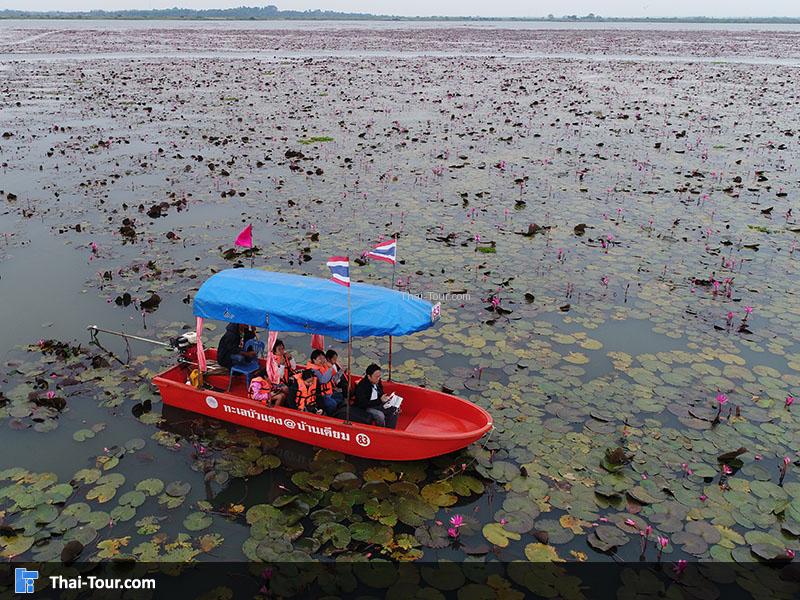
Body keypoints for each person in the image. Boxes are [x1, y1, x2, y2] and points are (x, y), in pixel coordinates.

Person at [353, 364, 398, 428]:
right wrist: (380, 400)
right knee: (380, 415)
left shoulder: (377, 381)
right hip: (367, 407)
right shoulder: (362, 386)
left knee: (395, 409)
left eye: (379, 376)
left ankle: (390, 428)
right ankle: (380, 429)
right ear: (369, 376)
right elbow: (363, 403)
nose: (378, 379)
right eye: (376, 377)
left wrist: (386, 398)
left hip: (378, 403)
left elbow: (380, 392)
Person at [306, 349, 340, 415]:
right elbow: (323, 380)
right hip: (320, 395)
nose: (322, 360)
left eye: (323, 358)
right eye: (320, 359)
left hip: (329, 391)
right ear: (314, 360)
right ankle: (328, 415)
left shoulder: (323, 366)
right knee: (333, 404)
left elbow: (333, 378)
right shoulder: (313, 370)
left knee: (340, 396)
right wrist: (330, 368)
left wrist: (340, 371)